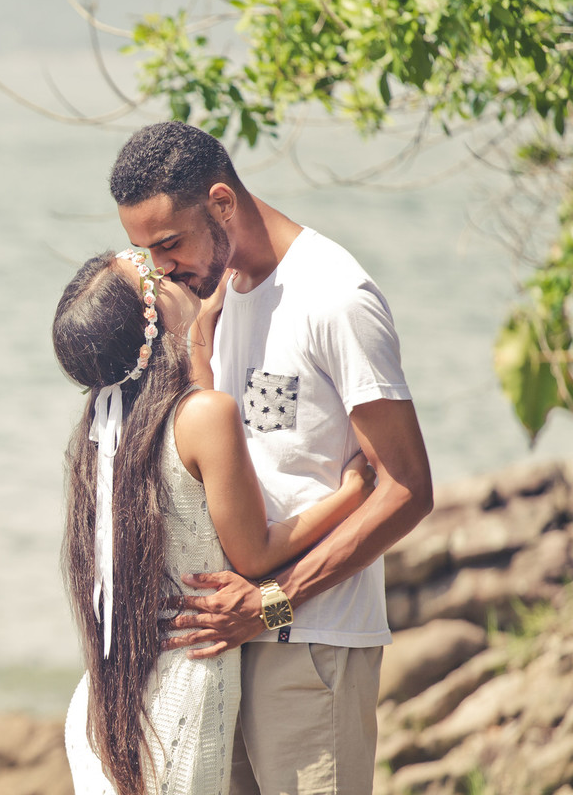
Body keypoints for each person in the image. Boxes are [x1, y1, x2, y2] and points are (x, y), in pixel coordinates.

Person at [109, 121, 434, 794]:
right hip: (223, 649)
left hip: (311, 647)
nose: (161, 267)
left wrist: (272, 603)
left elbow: (406, 489)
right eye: (147, 252)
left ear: (222, 203)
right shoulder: (216, 302)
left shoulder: (334, 297)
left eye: (169, 243)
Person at [53, 249, 375, 795]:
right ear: (148, 320)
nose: (165, 267)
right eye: (151, 273)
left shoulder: (103, 430)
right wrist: (353, 493)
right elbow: (255, 554)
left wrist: (199, 327)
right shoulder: (206, 414)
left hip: (112, 698)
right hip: (189, 687)